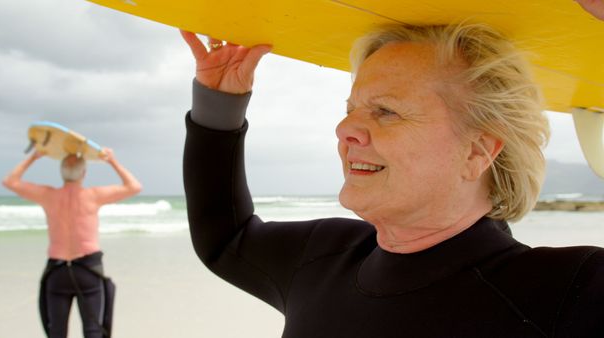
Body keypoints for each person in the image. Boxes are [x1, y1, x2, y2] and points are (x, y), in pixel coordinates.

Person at [180, 8, 604, 338]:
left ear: (476, 152)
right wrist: (219, 102)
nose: (345, 130)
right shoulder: (322, 257)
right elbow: (225, 238)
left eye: (386, 111)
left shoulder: (567, 292)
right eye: (351, 110)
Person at [2, 148, 142, 338]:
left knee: (57, 333)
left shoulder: (48, 195)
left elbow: (10, 182)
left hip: (57, 271)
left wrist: (33, 157)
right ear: (84, 173)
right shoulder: (93, 195)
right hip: (88, 270)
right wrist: (112, 161)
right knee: (93, 331)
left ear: (61, 172)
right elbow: (134, 187)